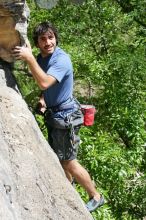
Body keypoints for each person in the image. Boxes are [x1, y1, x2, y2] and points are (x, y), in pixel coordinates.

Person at [12, 21, 104, 212]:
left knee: (68, 160)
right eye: (43, 39)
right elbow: (46, 84)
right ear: (38, 43)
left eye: (51, 37)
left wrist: (29, 59)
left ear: (56, 38)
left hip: (67, 116)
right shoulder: (43, 58)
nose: (48, 42)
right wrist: (43, 100)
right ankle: (67, 190)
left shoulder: (61, 59)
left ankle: (95, 196)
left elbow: (45, 82)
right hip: (56, 115)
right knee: (58, 158)